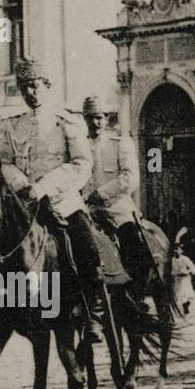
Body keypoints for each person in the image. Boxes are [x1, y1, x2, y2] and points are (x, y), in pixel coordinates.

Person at [0, 57, 101, 342]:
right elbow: (4, 162)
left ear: (46, 85)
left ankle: (93, 314)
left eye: (35, 85)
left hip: (62, 202)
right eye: (24, 87)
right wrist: (22, 185)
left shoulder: (67, 122)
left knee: (86, 246)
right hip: (24, 205)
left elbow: (81, 163)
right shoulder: (10, 125)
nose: (30, 92)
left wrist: (42, 188)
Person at [81, 96, 149, 278]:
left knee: (132, 241)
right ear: (84, 119)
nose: (94, 122)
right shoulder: (79, 146)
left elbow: (130, 177)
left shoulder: (120, 143)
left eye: (98, 117)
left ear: (106, 118)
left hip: (117, 208)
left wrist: (101, 193)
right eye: (89, 118)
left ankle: (135, 290)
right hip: (86, 209)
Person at [171, 241, 195, 316]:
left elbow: (193, 267)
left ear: (181, 251)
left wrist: (188, 271)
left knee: (185, 293)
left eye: (177, 249)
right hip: (176, 279)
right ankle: (181, 309)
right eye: (174, 249)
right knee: (178, 294)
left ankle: (185, 306)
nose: (176, 251)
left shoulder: (185, 259)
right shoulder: (172, 260)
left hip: (184, 279)